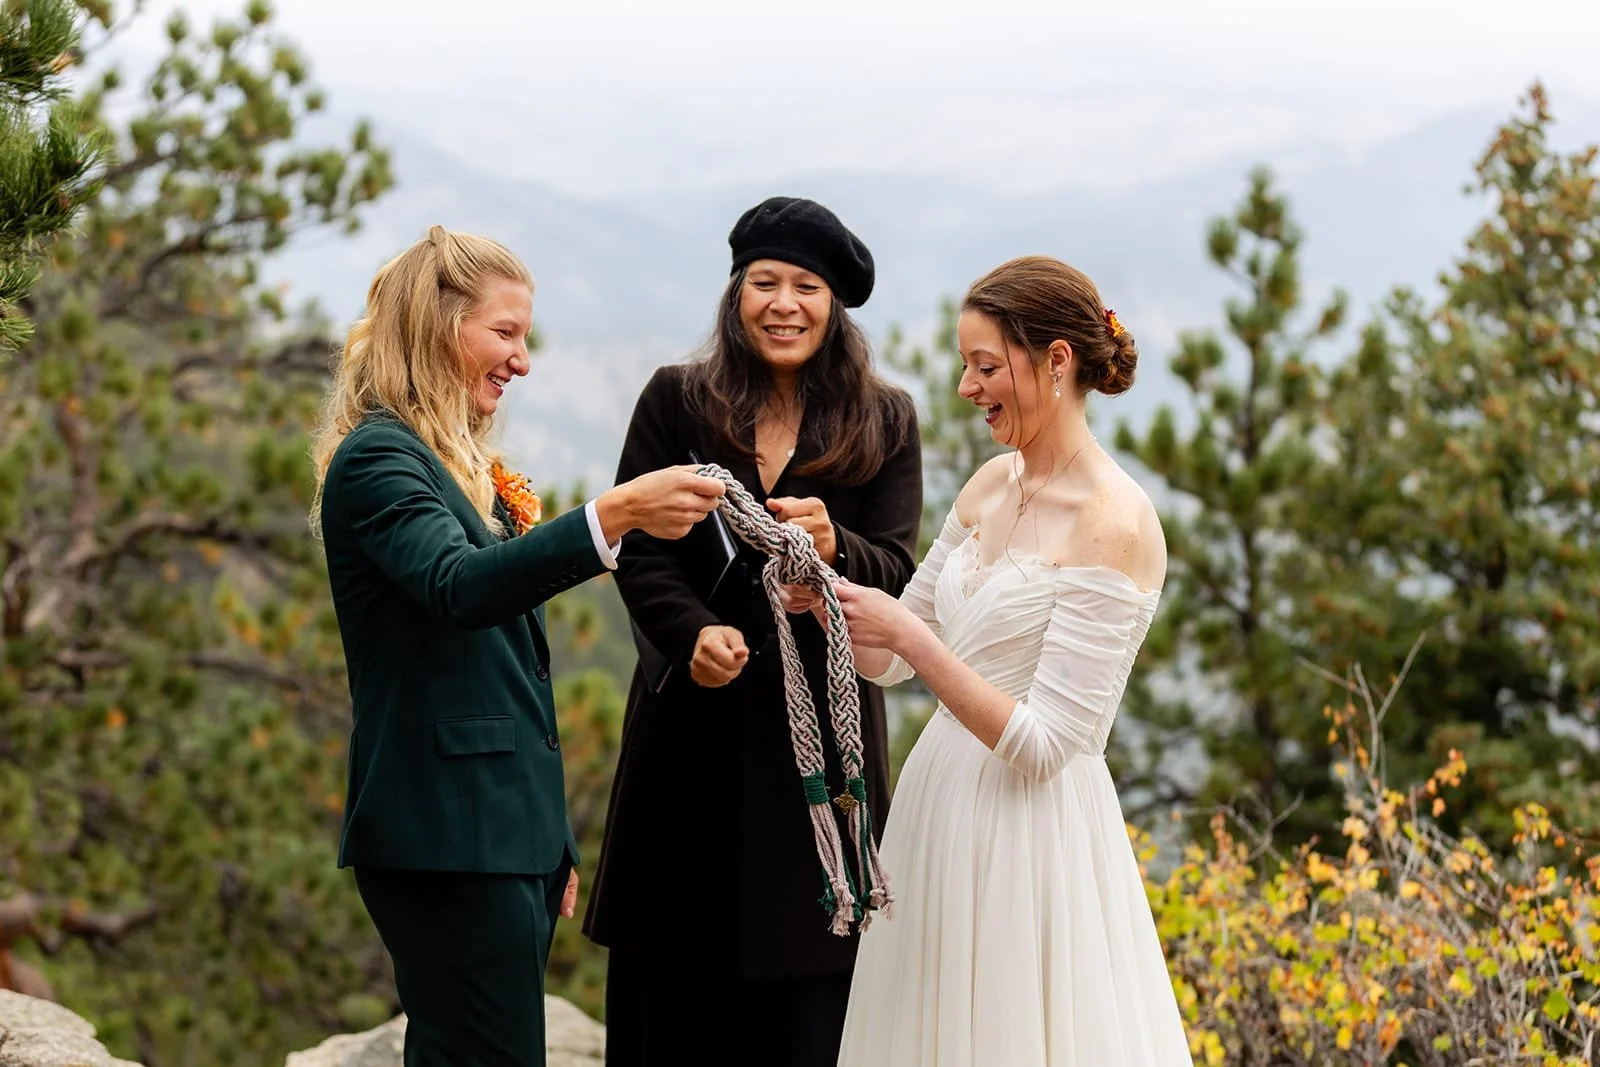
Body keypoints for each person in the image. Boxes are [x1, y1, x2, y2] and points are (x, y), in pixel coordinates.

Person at [308, 225, 727, 1067]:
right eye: (504, 332)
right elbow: (461, 586)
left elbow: (509, 675)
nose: (522, 361)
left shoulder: (447, 464)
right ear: (437, 327)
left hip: (497, 836)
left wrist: (546, 842)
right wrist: (613, 515)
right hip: (448, 838)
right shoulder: (378, 458)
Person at [582, 197, 924, 1067]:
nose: (784, 304)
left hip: (820, 761)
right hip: (689, 739)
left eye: (806, 286)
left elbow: (897, 567)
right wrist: (690, 633)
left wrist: (836, 546)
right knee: (673, 999)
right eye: (765, 282)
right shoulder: (678, 401)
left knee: (811, 1008)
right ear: (737, 293)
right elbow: (638, 548)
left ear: (834, 305)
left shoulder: (884, 419)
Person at [831, 255, 1194, 1066]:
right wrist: (826, 602)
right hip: (936, 809)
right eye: (966, 364)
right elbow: (889, 657)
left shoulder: (1114, 520)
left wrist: (913, 641)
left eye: (986, 365)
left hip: (1028, 835)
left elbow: (1046, 745)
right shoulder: (990, 484)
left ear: (1056, 360)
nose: (966, 386)